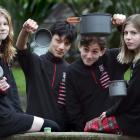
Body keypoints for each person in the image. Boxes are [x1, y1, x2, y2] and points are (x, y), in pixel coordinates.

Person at [0, 7, 60, 137]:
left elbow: (20, 49)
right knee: (51, 126)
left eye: (5, 24)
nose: (3, 28)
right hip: (4, 118)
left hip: (11, 113)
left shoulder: (4, 56)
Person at [16, 19, 77, 131]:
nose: (62, 47)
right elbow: (21, 48)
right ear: (50, 38)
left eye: (67, 43)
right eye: (58, 40)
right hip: (34, 131)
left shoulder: (71, 71)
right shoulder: (35, 63)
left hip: (61, 133)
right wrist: (25, 31)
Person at [84, 14, 140, 136]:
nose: (128, 38)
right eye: (125, 33)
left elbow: (131, 96)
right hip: (132, 117)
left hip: (133, 121)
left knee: (90, 126)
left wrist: (110, 112)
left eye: (133, 33)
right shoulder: (134, 58)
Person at [65, 34, 129, 131]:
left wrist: (121, 27)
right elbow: (72, 107)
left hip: (118, 124)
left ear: (102, 51)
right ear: (79, 46)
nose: (89, 56)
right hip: (91, 129)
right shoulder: (71, 71)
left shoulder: (114, 57)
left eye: (95, 51)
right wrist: (84, 130)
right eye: (86, 49)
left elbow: (133, 47)